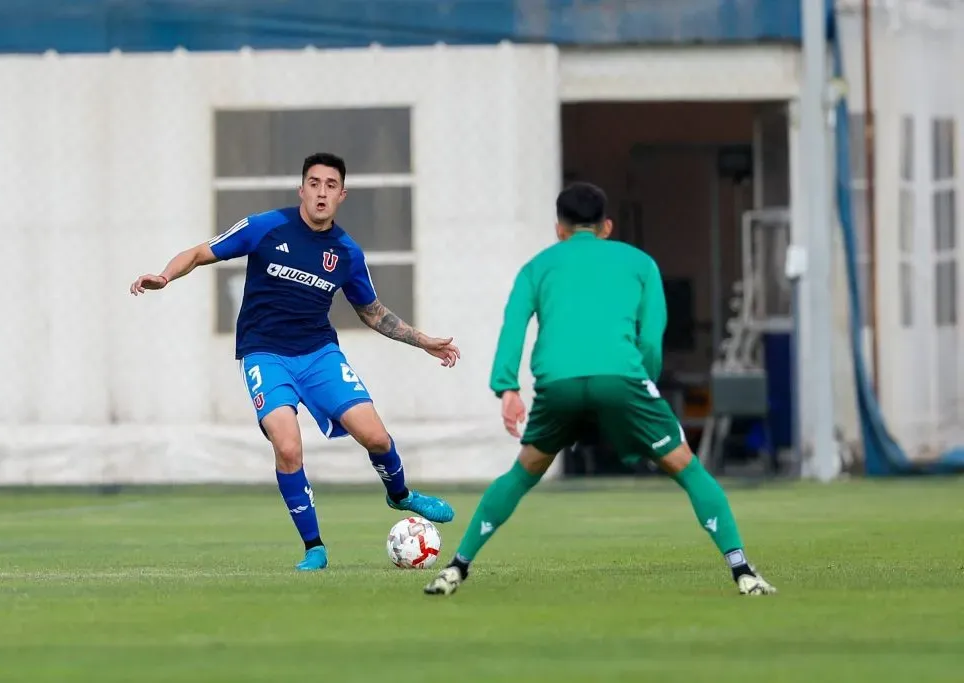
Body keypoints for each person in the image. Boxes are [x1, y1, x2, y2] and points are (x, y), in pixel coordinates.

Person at [423, 182, 776, 597]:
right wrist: (643, 381)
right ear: (606, 226)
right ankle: (742, 572)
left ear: (559, 229)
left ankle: (456, 569)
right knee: (688, 468)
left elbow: (514, 329)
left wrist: (508, 389)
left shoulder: (537, 268)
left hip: (557, 384)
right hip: (622, 379)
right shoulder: (640, 263)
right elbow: (650, 338)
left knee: (522, 473)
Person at [130, 152, 458, 571]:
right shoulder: (267, 227)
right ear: (302, 189)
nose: (322, 192)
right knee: (287, 447)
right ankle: (314, 548)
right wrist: (164, 276)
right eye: (315, 183)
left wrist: (423, 340)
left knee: (376, 438)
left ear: (342, 195)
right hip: (264, 353)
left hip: (319, 354)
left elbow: (372, 312)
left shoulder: (346, 253)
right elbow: (199, 252)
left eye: (331, 185)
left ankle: (400, 494)